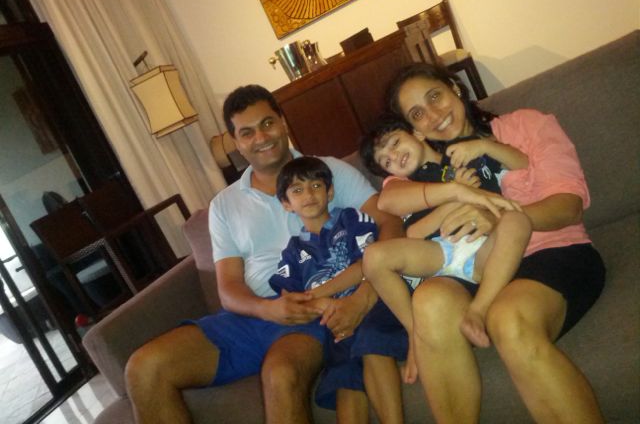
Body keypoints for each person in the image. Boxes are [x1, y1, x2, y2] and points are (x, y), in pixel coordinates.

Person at [124, 85, 404, 424]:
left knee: (280, 374)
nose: (261, 137)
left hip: (313, 307)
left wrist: (366, 293)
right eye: (247, 132)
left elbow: (390, 221)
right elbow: (228, 288)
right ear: (235, 142)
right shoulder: (224, 205)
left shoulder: (327, 172)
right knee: (143, 368)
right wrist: (266, 309)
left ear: (282, 122)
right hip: (253, 315)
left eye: (267, 123)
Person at [382, 62, 606, 423]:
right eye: (417, 114)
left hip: (550, 251)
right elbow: (391, 203)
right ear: (414, 130)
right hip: (476, 270)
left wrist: (497, 216)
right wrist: (453, 195)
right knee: (429, 299)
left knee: (507, 318)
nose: (433, 115)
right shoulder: (418, 166)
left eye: (435, 96)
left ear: (455, 88)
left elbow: (568, 207)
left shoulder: (525, 125)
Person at [358, 115, 531, 382]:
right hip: (438, 254)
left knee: (518, 221)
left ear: (417, 133)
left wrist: (484, 146)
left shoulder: (464, 153)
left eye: (395, 143)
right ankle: (415, 331)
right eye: (386, 162)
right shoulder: (410, 186)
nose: (394, 156)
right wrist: (456, 196)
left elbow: (522, 163)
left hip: (483, 250)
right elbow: (413, 234)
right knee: (374, 256)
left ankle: (478, 311)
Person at [269, 156, 407, 422]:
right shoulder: (293, 251)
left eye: (316, 186)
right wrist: (324, 306)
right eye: (297, 190)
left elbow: (367, 264)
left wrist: (317, 295)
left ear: (330, 192)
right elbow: (289, 298)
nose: (309, 194)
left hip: (372, 306)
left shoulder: (352, 219)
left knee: (370, 341)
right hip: (335, 325)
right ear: (286, 204)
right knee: (343, 376)